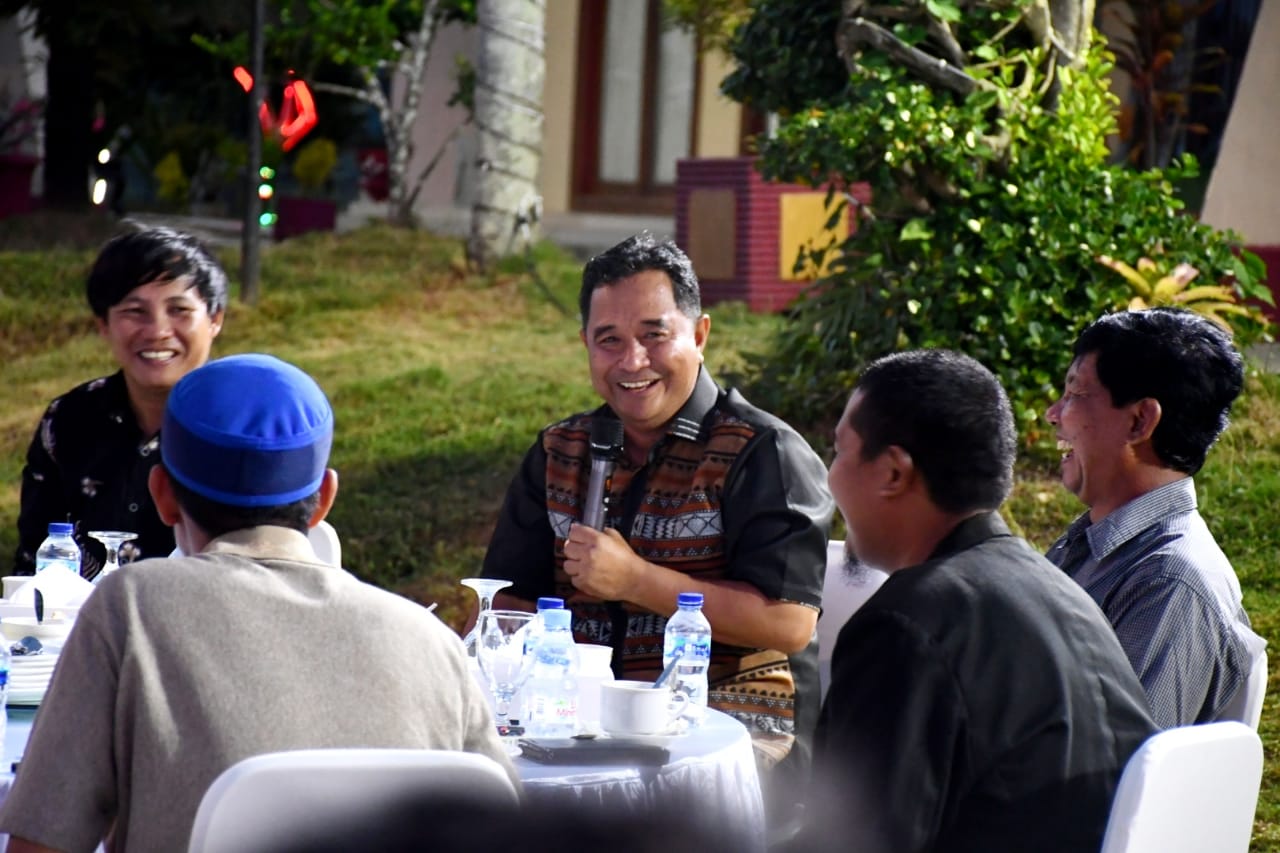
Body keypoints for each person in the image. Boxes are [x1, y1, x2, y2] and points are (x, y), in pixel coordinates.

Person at [0, 354, 516, 853]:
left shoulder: (130, 609)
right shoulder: (431, 642)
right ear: (325, 498)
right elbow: (510, 825)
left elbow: (43, 843)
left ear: (163, 495)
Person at [480, 234, 834, 779]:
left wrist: (637, 580)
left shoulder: (763, 452)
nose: (633, 361)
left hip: (733, 737)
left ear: (700, 334)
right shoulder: (559, 450)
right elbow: (510, 602)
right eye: (609, 340)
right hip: (576, 725)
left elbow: (788, 622)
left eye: (654, 335)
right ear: (585, 344)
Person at [803, 349, 1155, 853]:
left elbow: (852, 842)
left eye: (839, 452)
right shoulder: (1062, 593)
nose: (830, 475)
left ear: (894, 473)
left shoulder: (904, 626)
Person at [1044, 307, 1265, 727]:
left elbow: (1116, 756)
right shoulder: (1090, 545)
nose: (1053, 413)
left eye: (1075, 394)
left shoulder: (1168, 583)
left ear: (1140, 420)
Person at [13, 226, 228, 579]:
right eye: (135, 311)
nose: (158, 331)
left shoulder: (242, 426)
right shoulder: (69, 420)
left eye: (178, 309)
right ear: (104, 324)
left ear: (215, 319)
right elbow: (33, 564)